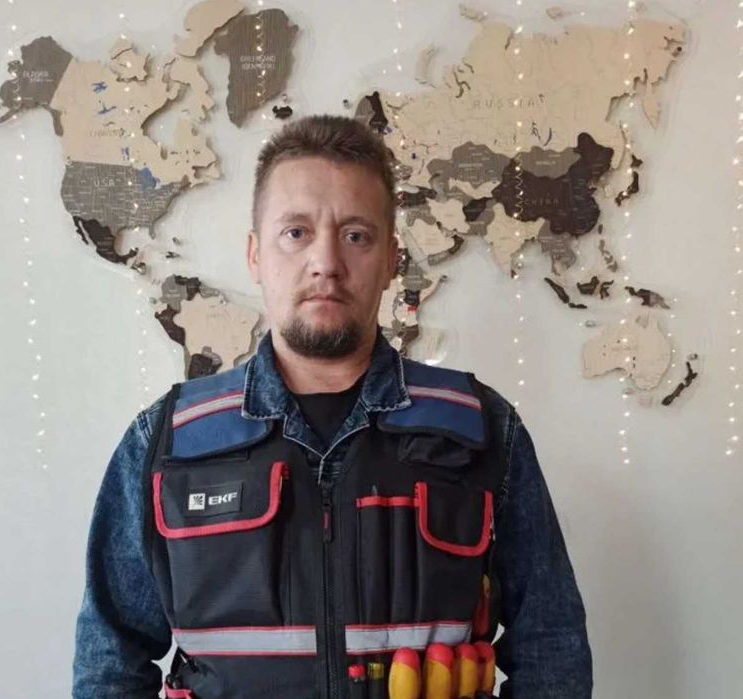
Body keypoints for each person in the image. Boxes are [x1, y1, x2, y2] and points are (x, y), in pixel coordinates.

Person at [73, 114, 592, 698]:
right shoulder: (167, 442)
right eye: (295, 232)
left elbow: (551, 642)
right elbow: (110, 660)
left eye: (356, 235)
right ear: (255, 254)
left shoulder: (480, 429)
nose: (326, 262)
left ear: (392, 258)